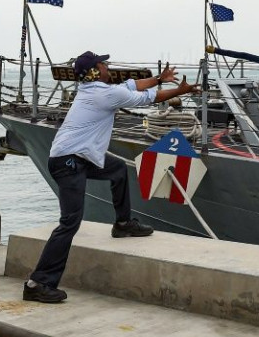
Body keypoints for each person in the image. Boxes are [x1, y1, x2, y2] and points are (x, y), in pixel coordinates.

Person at [23, 51, 200, 303]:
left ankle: (123, 224)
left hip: (79, 158)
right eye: (102, 63)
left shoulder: (95, 89)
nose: (107, 65)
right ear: (95, 71)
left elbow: (131, 85)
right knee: (70, 223)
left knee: (117, 169)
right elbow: (147, 98)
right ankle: (37, 283)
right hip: (69, 162)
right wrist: (179, 91)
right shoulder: (104, 94)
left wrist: (160, 78)